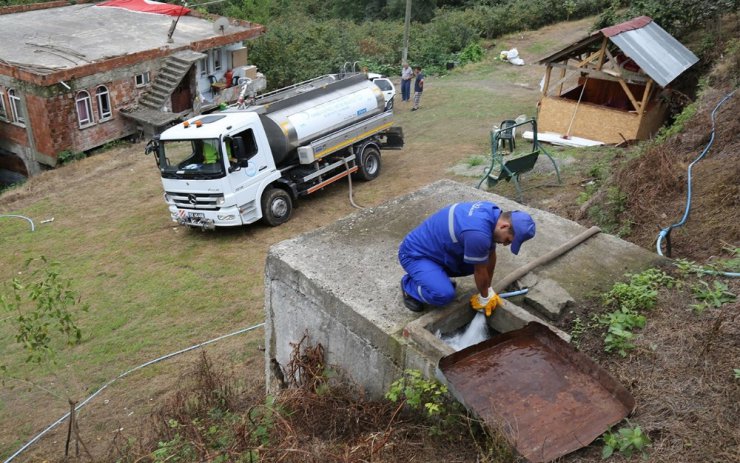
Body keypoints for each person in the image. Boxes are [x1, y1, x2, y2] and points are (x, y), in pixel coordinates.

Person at [398, 201, 536, 315]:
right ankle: (409, 286)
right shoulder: (477, 233)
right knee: (443, 295)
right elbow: (480, 270)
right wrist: (484, 297)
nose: (505, 244)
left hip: (438, 250)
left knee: (480, 259)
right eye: (508, 240)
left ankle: (435, 277)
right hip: (415, 254)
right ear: (505, 226)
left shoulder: (492, 213)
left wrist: (488, 289)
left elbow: (490, 254)